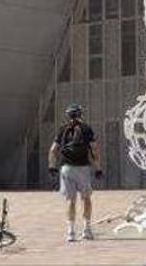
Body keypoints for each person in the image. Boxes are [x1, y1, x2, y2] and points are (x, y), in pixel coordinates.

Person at [48, 103, 102, 242]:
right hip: (83, 167)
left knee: (70, 200)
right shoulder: (86, 128)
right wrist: (98, 168)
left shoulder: (62, 129)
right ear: (80, 114)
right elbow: (94, 149)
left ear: (68, 116)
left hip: (66, 168)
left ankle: (71, 232)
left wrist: (52, 166)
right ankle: (87, 230)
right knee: (86, 198)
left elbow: (53, 150)